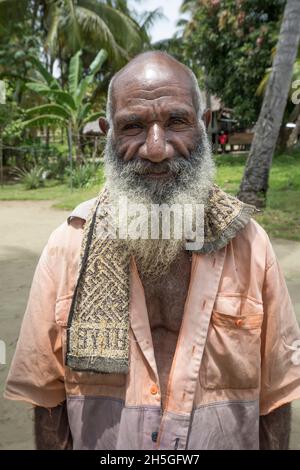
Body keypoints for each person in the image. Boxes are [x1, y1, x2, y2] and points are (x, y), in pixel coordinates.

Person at [4, 51, 300, 450]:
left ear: (203, 124)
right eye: (134, 127)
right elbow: (47, 398)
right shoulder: (69, 246)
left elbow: (275, 394)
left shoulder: (250, 246)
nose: (156, 148)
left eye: (176, 121)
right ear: (109, 132)